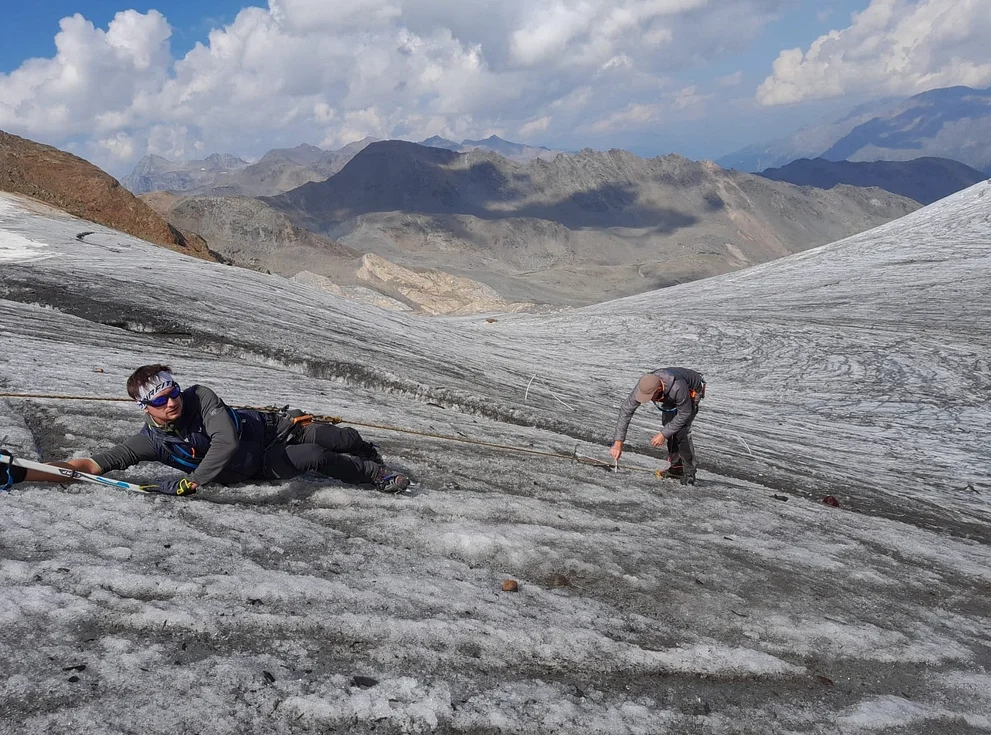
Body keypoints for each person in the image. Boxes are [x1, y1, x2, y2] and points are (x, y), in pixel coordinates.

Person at [6, 364, 409, 496]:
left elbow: (226, 439)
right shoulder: (150, 442)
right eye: (161, 400)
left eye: (173, 392)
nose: (172, 402)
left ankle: (366, 456)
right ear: (145, 407)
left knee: (340, 437)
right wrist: (23, 471)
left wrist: (194, 481)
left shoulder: (202, 396)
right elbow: (90, 464)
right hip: (262, 463)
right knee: (315, 457)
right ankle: (377, 476)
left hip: (274, 428)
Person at [610, 368, 706, 485]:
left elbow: (684, 414)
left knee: (681, 431)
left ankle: (689, 472)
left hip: (692, 390)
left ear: (659, 389)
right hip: (669, 393)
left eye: (650, 396)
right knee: (668, 424)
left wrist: (663, 434)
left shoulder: (677, 386)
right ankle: (676, 467)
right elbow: (626, 410)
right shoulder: (645, 383)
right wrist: (618, 442)